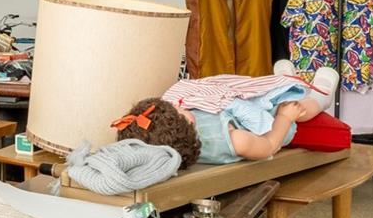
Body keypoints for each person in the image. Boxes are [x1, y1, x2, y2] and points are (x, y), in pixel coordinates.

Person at [113, 66, 340, 166]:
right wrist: (285, 118)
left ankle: (285, 79)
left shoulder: (175, 137)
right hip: (270, 124)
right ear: (184, 124)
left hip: (234, 111)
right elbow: (269, 146)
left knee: (257, 91)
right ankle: (322, 96)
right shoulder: (233, 140)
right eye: (177, 111)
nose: (178, 105)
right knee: (296, 107)